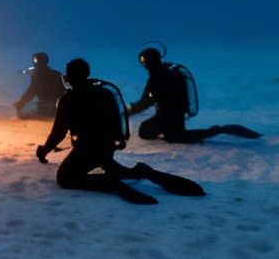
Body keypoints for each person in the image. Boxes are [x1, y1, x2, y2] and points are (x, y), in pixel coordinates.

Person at [36, 58, 203, 203]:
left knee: (66, 178)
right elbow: (117, 121)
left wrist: (44, 151)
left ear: (71, 76)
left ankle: (112, 183)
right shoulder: (104, 93)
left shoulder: (68, 99)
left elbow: (58, 133)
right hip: (106, 148)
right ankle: (143, 172)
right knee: (112, 166)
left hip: (86, 149)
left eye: (69, 73)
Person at [128, 47, 261, 143]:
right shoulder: (166, 72)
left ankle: (217, 130)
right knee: (149, 132)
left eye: (145, 61)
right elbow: (149, 100)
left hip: (170, 114)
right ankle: (215, 130)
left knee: (172, 137)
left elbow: (147, 101)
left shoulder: (160, 76)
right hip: (172, 113)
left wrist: (128, 110)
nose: (145, 65)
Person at [14, 51, 65, 119]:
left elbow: (31, 91)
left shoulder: (38, 75)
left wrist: (19, 105)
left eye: (35, 61)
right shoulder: (56, 74)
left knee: (23, 117)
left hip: (46, 108)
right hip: (54, 107)